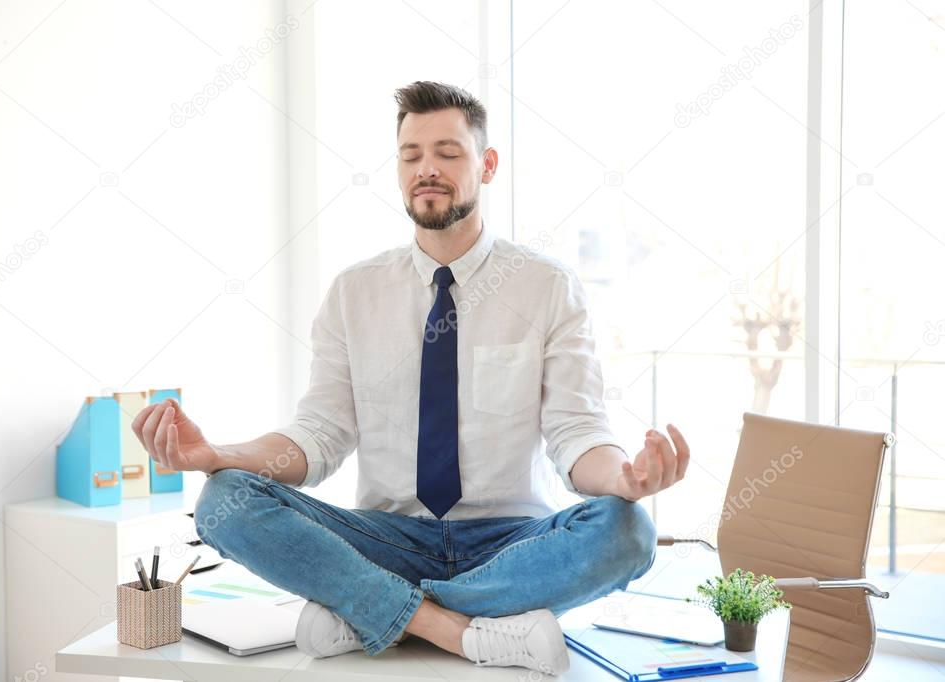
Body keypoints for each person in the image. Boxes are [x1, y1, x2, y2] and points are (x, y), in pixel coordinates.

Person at [131, 80, 690, 675]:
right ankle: (455, 629)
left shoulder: (547, 287)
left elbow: (576, 433)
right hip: (387, 539)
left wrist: (624, 479)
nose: (428, 169)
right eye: (411, 156)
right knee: (224, 499)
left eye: (448, 153)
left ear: (487, 164)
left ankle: (371, 611)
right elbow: (317, 438)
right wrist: (218, 452)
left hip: (509, 545)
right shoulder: (355, 291)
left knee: (629, 531)